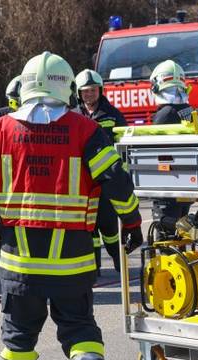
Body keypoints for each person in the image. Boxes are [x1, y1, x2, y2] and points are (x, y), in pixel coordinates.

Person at [0, 51, 143, 360]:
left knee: (18, 342)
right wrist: (131, 222)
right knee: (81, 333)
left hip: (19, 266)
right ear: (68, 88)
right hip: (73, 265)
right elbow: (117, 182)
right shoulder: (86, 130)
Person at [75, 69, 127, 272]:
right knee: (88, 228)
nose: (89, 94)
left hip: (105, 179)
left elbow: (123, 146)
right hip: (83, 181)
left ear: (100, 91)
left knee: (109, 226)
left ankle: (119, 264)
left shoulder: (113, 115)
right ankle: (94, 269)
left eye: (93, 90)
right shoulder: (73, 115)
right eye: (85, 91)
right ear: (79, 93)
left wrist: (120, 176)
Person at [149, 60, 194, 224]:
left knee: (166, 230)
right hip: (186, 179)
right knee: (182, 227)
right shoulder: (187, 109)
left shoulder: (165, 115)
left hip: (168, 181)